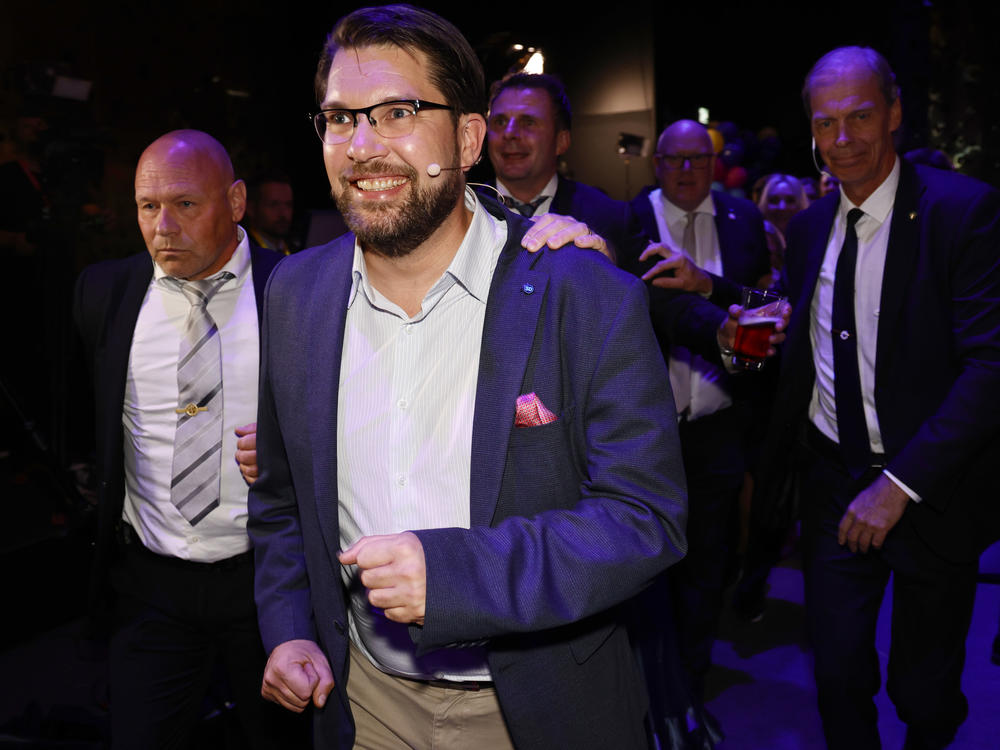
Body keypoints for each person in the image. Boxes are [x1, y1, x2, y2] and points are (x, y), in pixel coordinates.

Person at [247, 5, 687, 749]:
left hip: (536, 710)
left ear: (470, 137)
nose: (362, 145)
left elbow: (646, 519)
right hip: (364, 702)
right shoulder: (295, 295)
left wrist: (457, 578)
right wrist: (289, 630)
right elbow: (284, 502)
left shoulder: (580, 294)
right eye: (339, 119)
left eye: (397, 112)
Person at [754, 46, 1000, 749]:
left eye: (860, 116)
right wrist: (712, 296)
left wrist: (900, 484)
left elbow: (990, 366)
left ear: (893, 113)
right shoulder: (806, 231)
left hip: (929, 486)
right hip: (832, 480)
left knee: (924, 690)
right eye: (825, 123)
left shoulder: (964, 212)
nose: (842, 139)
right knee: (835, 676)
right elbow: (800, 324)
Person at [73, 129, 305, 749]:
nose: (162, 226)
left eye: (184, 204)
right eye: (148, 206)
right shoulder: (105, 293)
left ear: (234, 202)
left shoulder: (298, 292)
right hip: (151, 586)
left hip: (268, 585)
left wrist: (290, 455)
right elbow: (87, 423)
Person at [628, 119, 770, 721]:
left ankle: (688, 692)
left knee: (708, 567)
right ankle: (643, 698)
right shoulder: (626, 220)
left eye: (698, 160)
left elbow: (767, 311)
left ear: (714, 166)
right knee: (642, 570)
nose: (686, 170)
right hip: (641, 438)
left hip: (716, 429)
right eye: (674, 160)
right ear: (657, 164)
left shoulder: (743, 223)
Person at [486, 72, 643, 261]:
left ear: (561, 141)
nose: (509, 133)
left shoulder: (611, 218)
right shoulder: (463, 210)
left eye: (528, 122)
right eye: (500, 122)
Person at [246, 173, 298, 254]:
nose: (283, 213)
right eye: (273, 205)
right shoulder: (245, 253)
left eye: (288, 204)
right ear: (251, 209)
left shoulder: (297, 251)